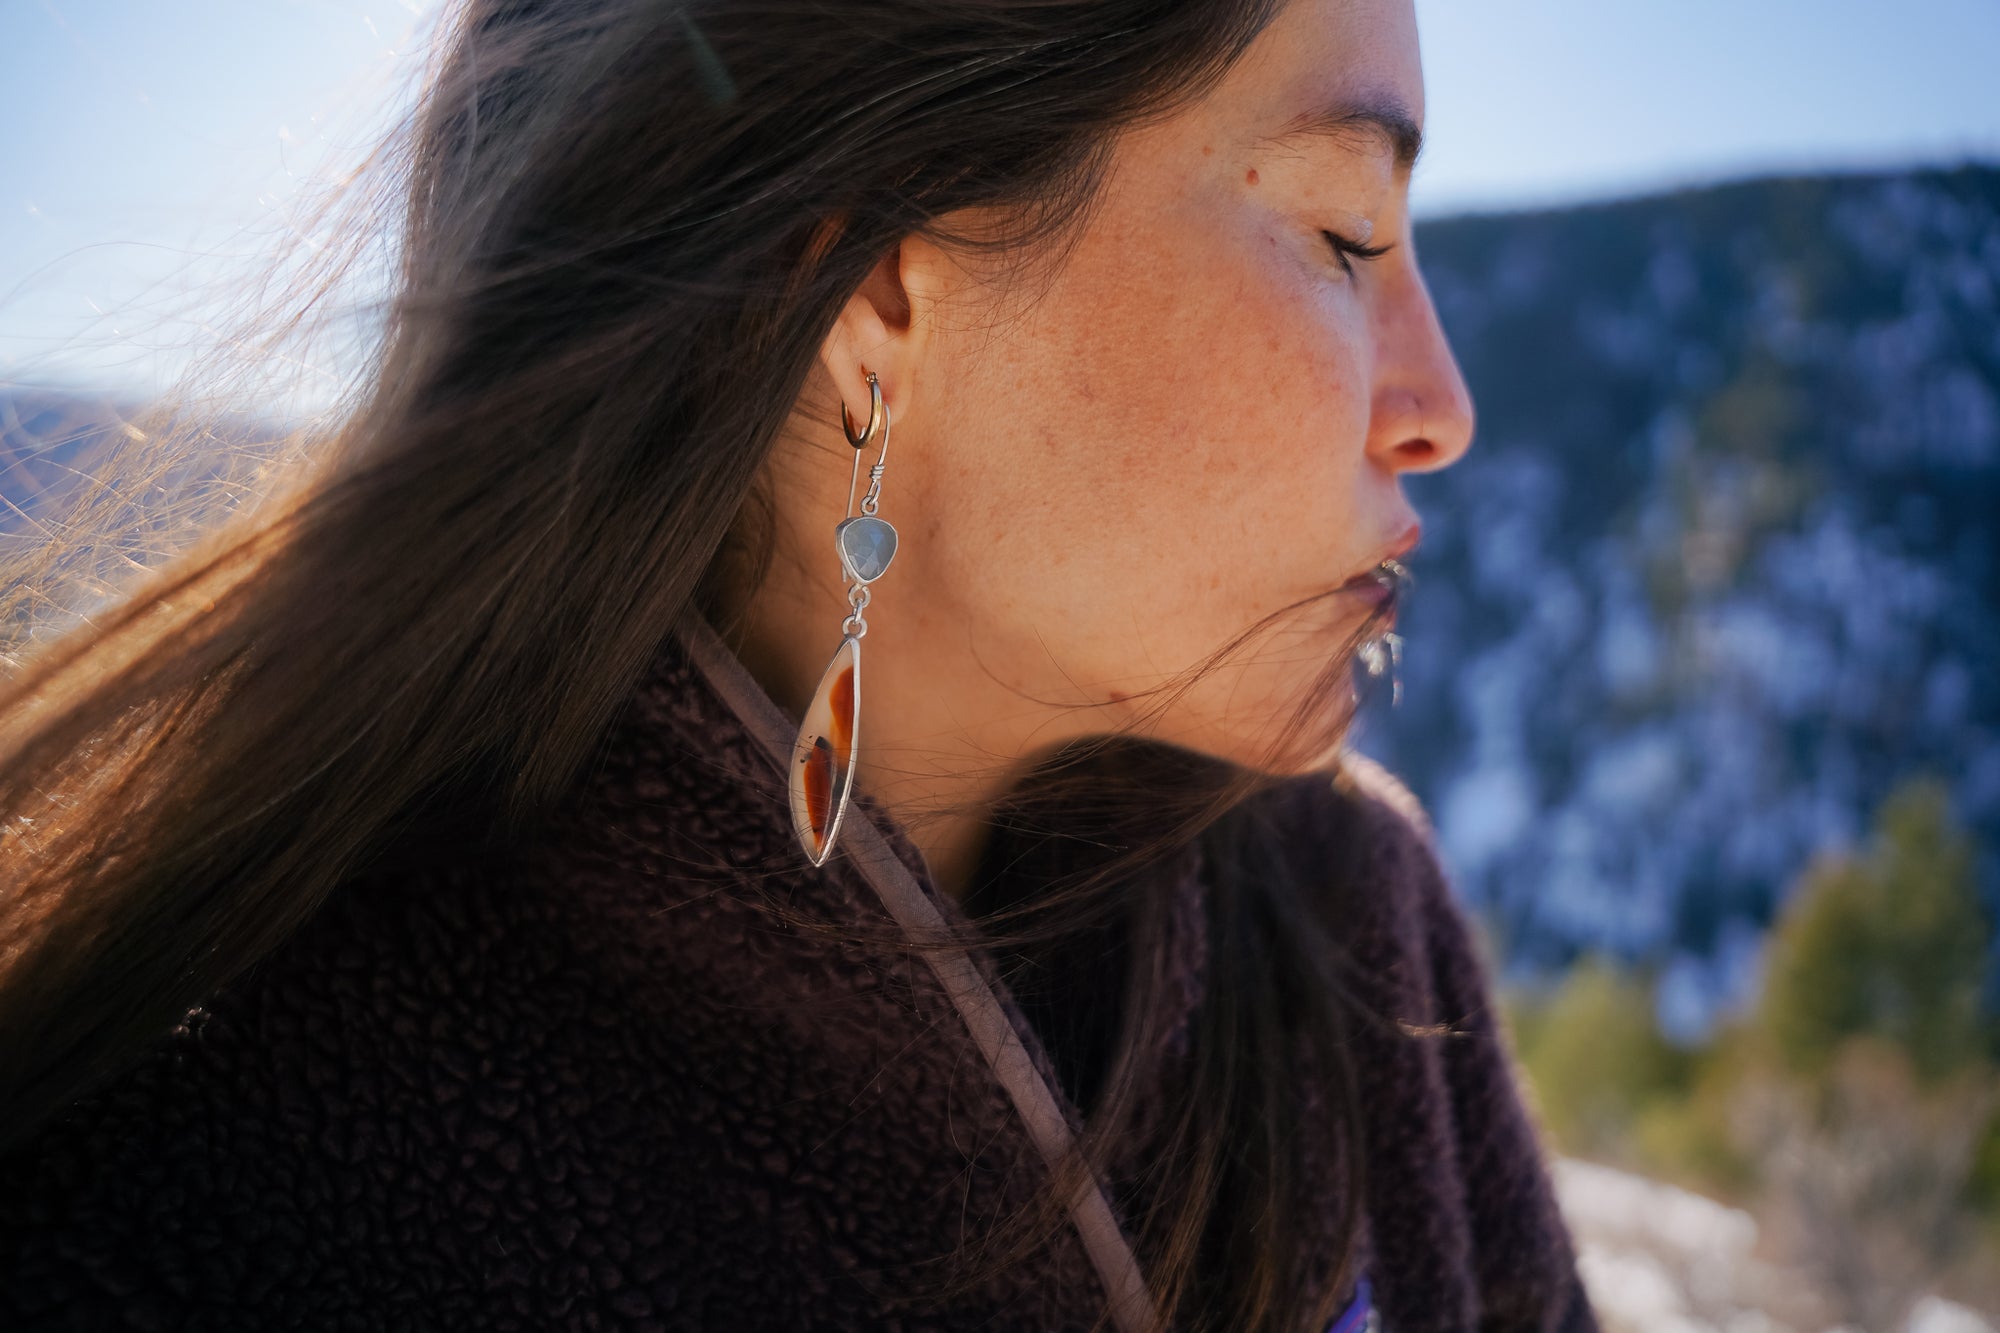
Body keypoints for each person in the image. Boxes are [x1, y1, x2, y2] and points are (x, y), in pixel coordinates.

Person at [0, 0, 1598, 1328]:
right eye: (1346, 232)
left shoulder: (1345, 933)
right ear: (883, 287)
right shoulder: (214, 1174)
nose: (1441, 403)